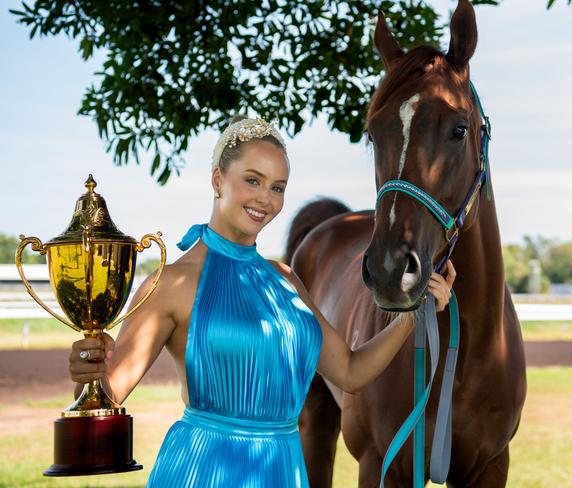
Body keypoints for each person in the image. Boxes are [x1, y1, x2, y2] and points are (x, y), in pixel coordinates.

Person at [68, 115, 456, 487]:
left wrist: (411, 314)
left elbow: (351, 372)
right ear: (218, 179)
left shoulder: (286, 279)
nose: (265, 199)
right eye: (252, 180)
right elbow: (108, 394)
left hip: (282, 469)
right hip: (205, 471)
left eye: (277, 187)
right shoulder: (171, 283)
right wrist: (90, 369)